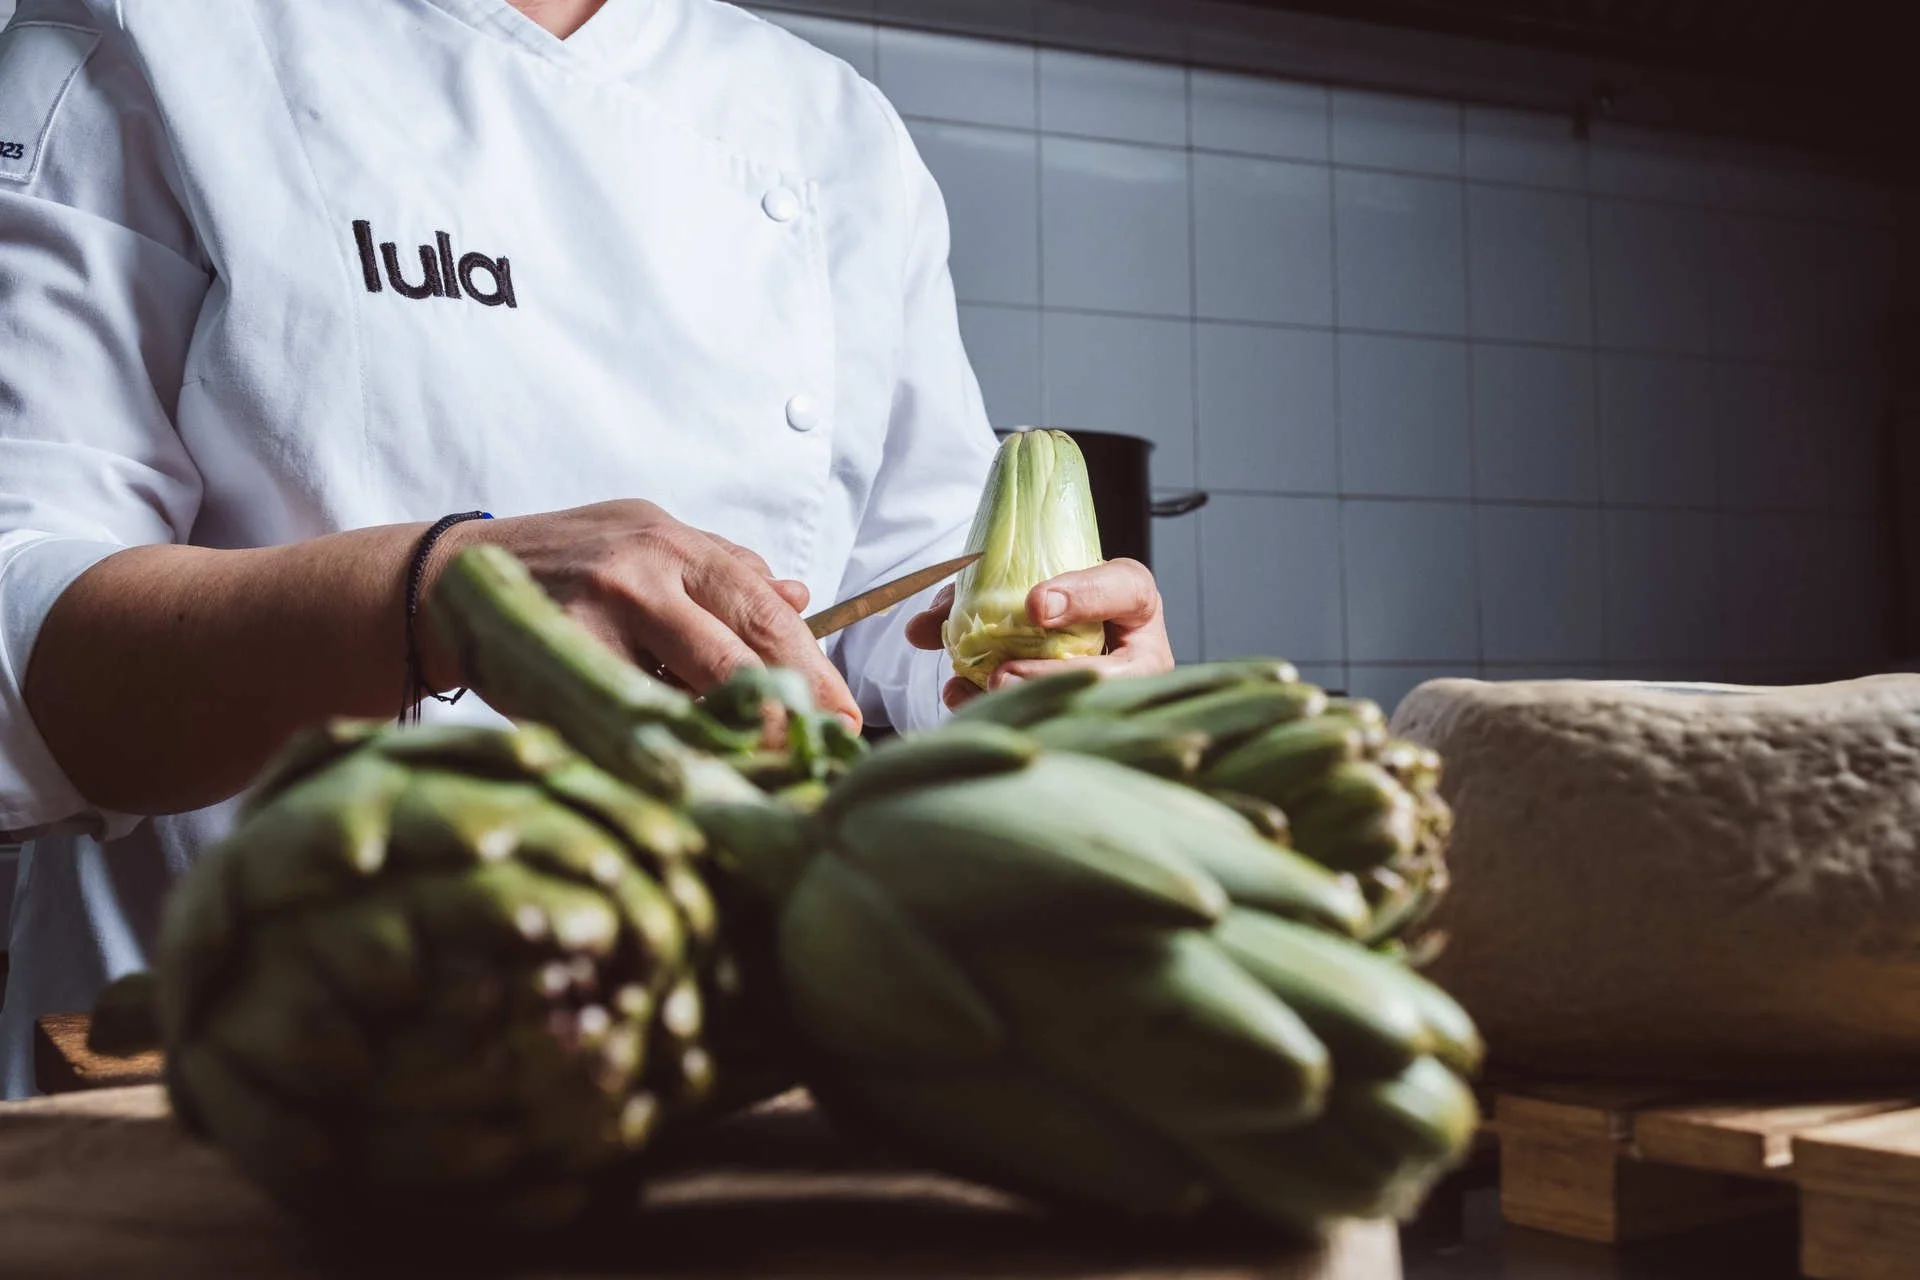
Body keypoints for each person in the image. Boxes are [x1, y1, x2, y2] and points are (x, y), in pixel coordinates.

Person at [0, 0, 1174, 1097]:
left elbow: (915, 607)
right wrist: (447, 595)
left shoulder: (835, 130)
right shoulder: (154, 31)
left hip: (707, 1052)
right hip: (234, 1064)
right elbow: (20, 613)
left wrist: (1053, 669)